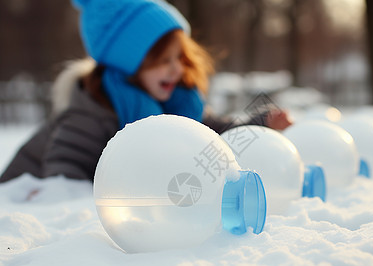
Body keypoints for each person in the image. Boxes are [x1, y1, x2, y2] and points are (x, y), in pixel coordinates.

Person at [0, 0, 292, 183]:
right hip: (22, 206)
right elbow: (62, 179)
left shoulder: (177, 102)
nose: (176, 69)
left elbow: (214, 135)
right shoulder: (90, 113)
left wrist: (261, 124)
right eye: (163, 61)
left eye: (179, 58)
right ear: (129, 63)